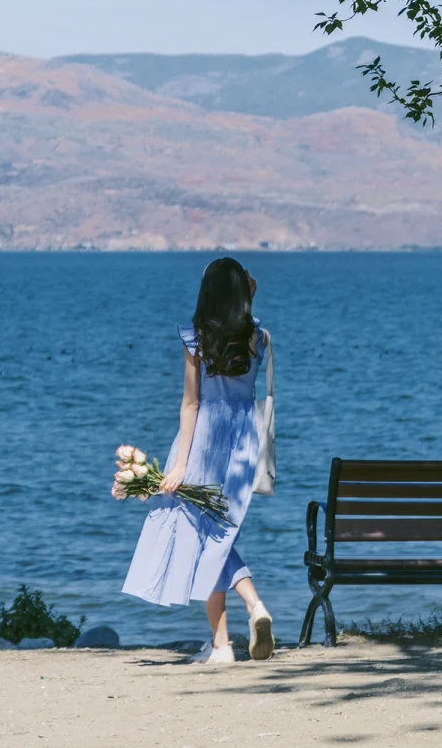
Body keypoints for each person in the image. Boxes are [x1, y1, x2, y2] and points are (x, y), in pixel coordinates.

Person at [122, 255, 274, 663]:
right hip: (244, 442)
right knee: (219, 537)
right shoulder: (257, 337)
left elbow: (191, 405)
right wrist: (249, 293)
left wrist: (179, 466)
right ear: (244, 294)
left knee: (204, 538)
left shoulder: (197, 338)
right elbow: (246, 318)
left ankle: (225, 642)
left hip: (204, 440)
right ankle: (247, 616)